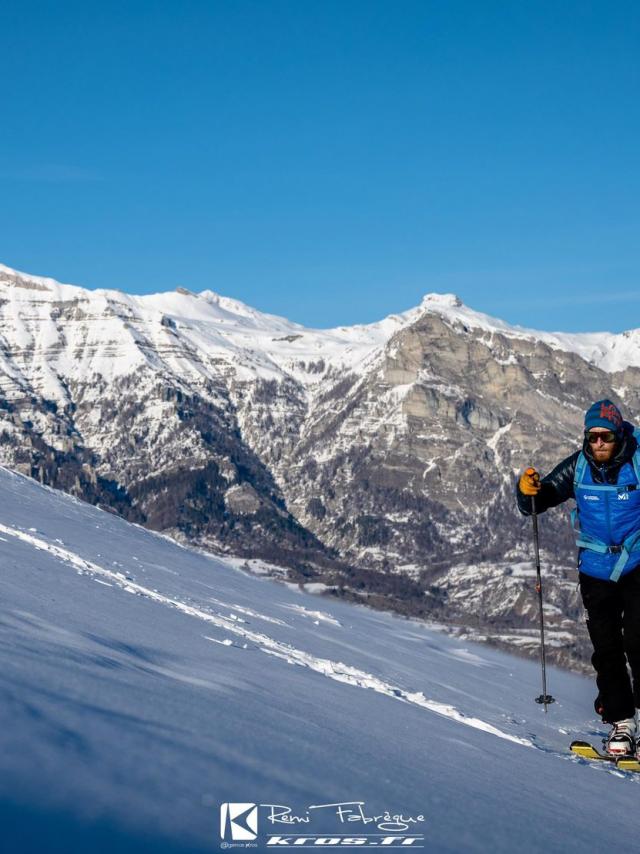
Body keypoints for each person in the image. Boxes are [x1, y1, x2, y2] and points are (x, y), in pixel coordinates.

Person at [517, 399, 640, 756]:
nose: (598, 444)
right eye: (592, 437)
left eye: (605, 437)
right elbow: (536, 504)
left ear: (618, 436)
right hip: (595, 572)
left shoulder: (636, 462)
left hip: (637, 566)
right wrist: (525, 490)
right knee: (606, 649)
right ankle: (622, 722)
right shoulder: (579, 467)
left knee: (639, 642)